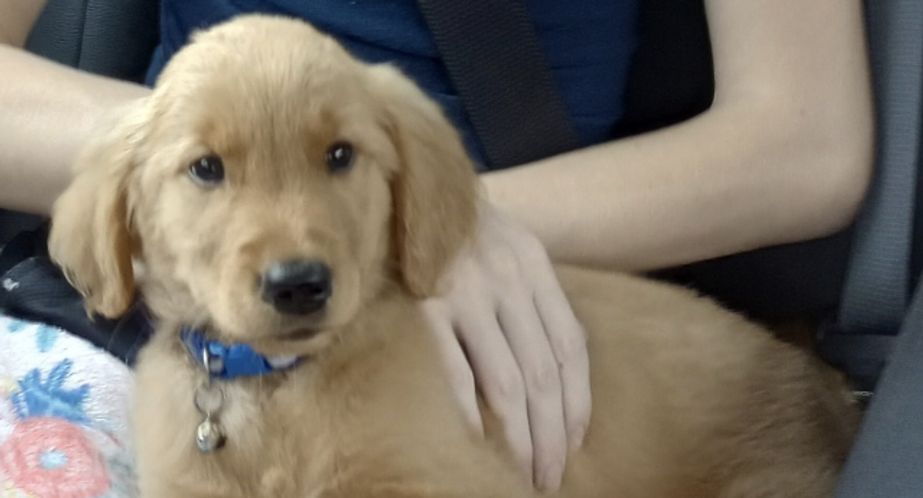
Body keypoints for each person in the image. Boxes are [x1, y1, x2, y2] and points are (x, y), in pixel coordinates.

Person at [0, 0, 874, 492]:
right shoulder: (141, 184)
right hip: (131, 318)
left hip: (506, 304)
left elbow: (805, 144)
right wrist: (161, 148)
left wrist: (444, 221)